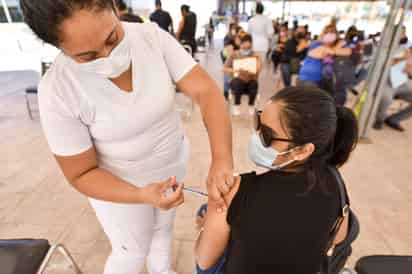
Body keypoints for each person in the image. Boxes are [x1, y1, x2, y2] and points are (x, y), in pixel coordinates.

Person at [20, 1, 235, 274]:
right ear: (58, 46)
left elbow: (207, 92)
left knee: (163, 230)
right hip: (118, 185)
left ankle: (162, 270)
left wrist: (222, 159)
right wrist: (140, 194)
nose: (109, 56)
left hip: (171, 162)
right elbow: (81, 173)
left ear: (113, 6)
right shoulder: (58, 90)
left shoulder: (151, 38)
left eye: (113, 38)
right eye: (88, 56)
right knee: (132, 250)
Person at [195, 87, 358, 274]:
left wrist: (206, 221)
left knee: (207, 214)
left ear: (302, 150)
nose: (256, 135)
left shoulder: (238, 190)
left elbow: (204, 260)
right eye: (258, 120)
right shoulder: (336, 182)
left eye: (266, 134)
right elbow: (339, 238)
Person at [297, 24, 352, 92]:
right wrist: (339, 46)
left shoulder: (329, 46)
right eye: (327, 32)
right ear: (323, 34)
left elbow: (348, 52)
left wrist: (340, 45)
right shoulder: (317, 44)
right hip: (309, 78)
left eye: (332, 33)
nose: (329, 35)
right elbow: (327, 52)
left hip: (317, 79)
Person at [374, 46, 412, 132]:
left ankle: (393, 119)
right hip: (386, 82)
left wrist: (408, 69)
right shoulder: (401, 49)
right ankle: (379, 119)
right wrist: (403, 59)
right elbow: (385, 62)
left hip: (401, 84)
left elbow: (408, 72)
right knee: (386, 98)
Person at [224, 34, 262, 116]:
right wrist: (235, 70)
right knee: (237, 83)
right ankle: (236, 105)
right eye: (244, 43)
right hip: (238, 79)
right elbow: (225, 68)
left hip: (250, 79)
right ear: (241, 44)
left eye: (248, 44)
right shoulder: (234, 54)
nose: (246, 46)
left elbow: (258, 70)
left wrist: (257, 61)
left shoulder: (255, 55)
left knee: (254, 84)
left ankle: (251, 105)